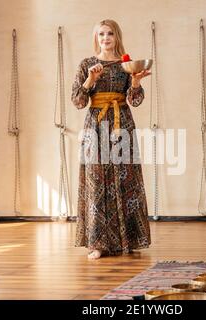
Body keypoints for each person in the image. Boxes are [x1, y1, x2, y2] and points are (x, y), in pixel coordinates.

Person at [72, 19, 151, 260]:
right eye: (101, 34)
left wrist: (135, 83)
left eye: (110, 34)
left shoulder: (125, 64)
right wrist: (90, 80)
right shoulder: (87, 64)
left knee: (126, 179)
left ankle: (130, 240)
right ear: (96, 37)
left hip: (122, 124)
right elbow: (77, 101)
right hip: (95, 125)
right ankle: (97, 244)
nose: (105, 38)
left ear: (117, 37)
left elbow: (135, 101)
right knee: (97, 181)